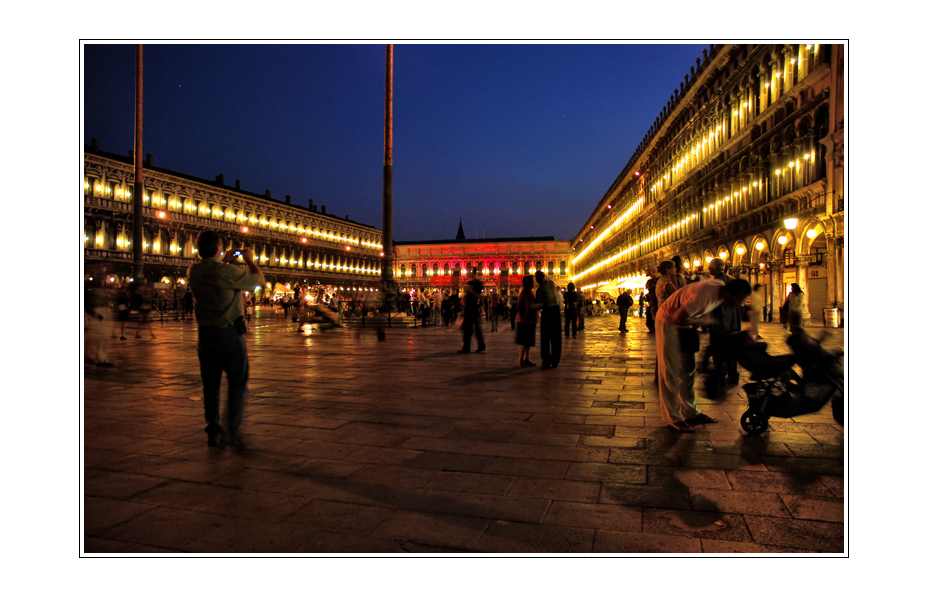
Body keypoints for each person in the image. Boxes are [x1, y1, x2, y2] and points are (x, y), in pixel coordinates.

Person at [187, 232, 265, 448]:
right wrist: (250, 260)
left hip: (205, 336)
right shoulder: (227, 271)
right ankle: (233, 428)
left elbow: (214, 271)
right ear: (219, 247)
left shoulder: (194, 270)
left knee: (210, 386)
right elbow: (258, 283)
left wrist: (224, 260)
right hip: (229, 334)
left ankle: (213, 429)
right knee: (237, 381)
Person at [656, 278, 751, 433]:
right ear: (730, 292)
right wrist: (703, 320)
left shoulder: (720, 290)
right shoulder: (704, 295)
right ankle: (673, 418)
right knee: (670, 369)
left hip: (686, 325)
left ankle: (691, 412)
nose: (739, 303)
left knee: (688, 370)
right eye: (739, 298)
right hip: (668, 321)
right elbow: (677, 317)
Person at [534, 270, 561, 368]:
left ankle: (546, 360)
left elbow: (538, 303)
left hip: (547, 312)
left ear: (537, 279)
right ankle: (555, 360)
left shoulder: (540, 290)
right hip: (556, 311)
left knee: (545, 338)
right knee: (556, 338)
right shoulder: (552, 284)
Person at [515, 275, 543, 367]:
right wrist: (542, 304)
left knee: (528, 341)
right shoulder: (526, 292)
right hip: (525, 320)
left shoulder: (528, 292)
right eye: (533, 281)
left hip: (528, 319)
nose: (534, 283)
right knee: (524, 341)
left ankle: (527, 358)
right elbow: (530, 305)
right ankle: (521, 360)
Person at [458, 276, 486, 353]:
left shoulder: (474, 293)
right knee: (475, 330)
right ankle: (480, 345)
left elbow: (478, 296)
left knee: (468, 330)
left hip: (471, 311)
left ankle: (467, 347)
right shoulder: (473, 293)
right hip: (471, 311)